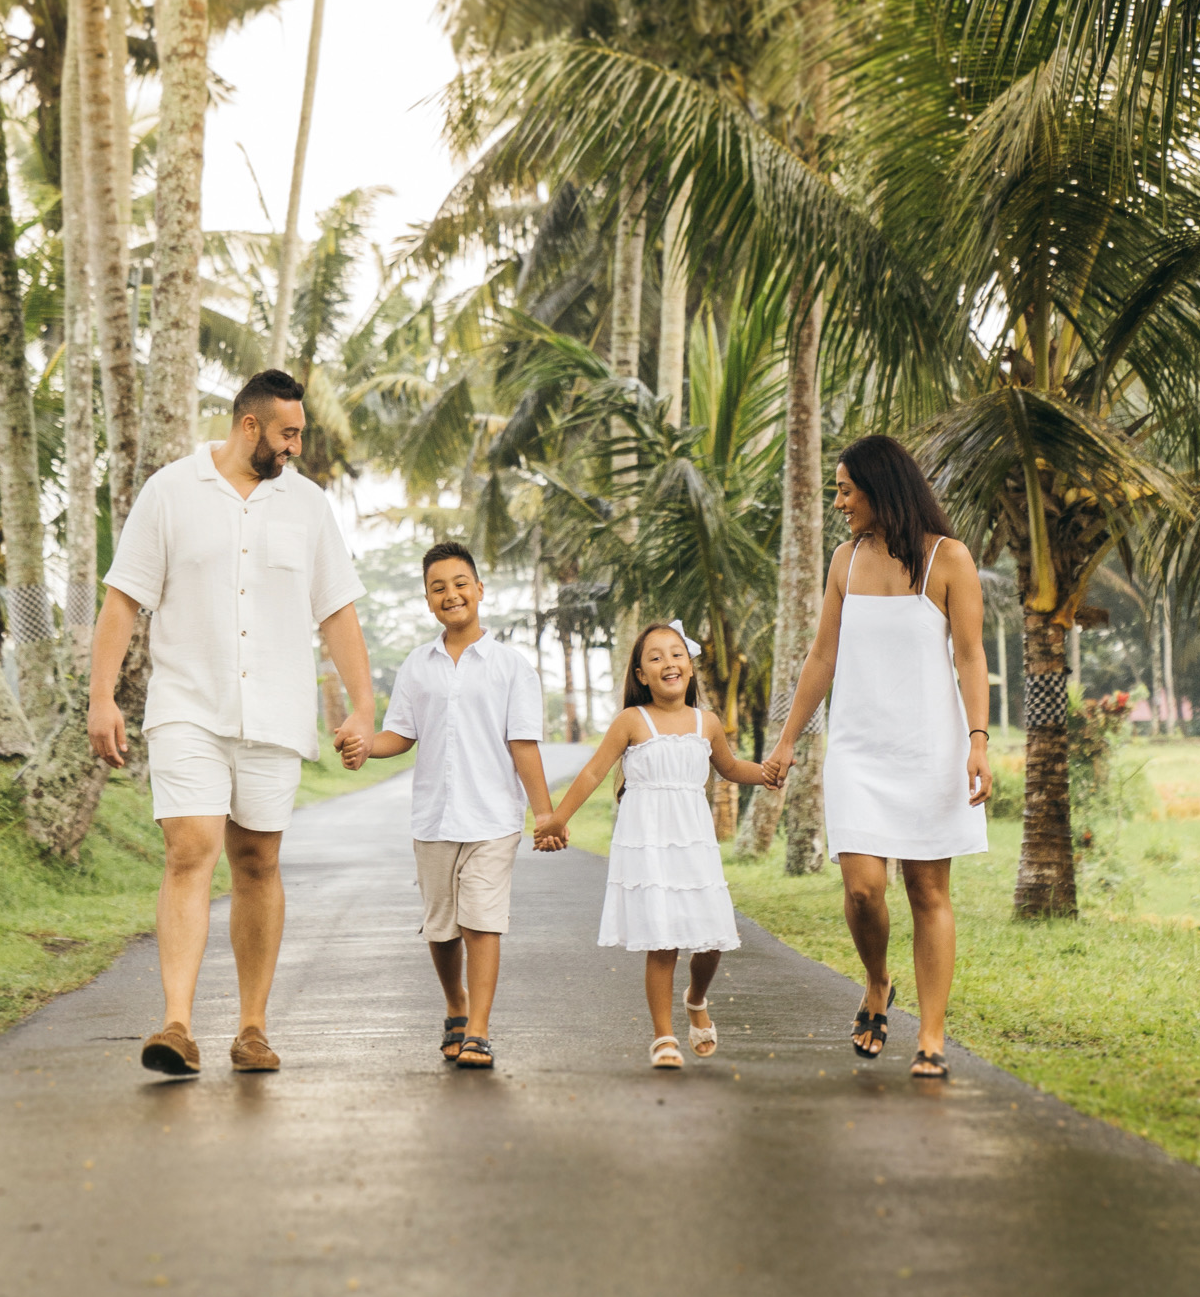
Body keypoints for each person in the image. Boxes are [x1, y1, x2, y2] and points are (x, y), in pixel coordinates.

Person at [87, 367, 374, 1079]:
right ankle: (177, 1025)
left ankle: (251, 1029)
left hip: (275, 712)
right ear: (250, 426)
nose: (296, 447)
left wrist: (364, 706)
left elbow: (337, 611)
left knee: (257, 861)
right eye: (288, 434)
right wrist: (101, 698)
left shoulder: (307, 506)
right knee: (191, 849)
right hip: (188, 707)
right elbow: (123, 600)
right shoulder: (170, 491)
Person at [761, 433, 993, 1083]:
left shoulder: (948, 559)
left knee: (926, 891)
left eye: (845, 490)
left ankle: (932, 1038)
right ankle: (877, 980)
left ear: (879, 488)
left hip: (930, 750)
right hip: (858, 752)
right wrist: (787, 740)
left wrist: (978, 741)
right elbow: (822, 657)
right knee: (864, 890)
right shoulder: (844, 561)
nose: (838, 503)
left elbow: (970, 655)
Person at [350, 541, 558, 1072]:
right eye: (438, 588)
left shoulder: (511, 667)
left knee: (482, 922)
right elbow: (401, 734)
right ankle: (456, 1006)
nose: (451, 594)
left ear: (479, 590)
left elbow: (523, 744)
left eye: (460, 583)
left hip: (493, 818)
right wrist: (365, 745)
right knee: (441, 929)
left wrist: (544, 814)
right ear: (427, 600)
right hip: (434, 818)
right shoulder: (417, 666)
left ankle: (479, 1032)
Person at [536, 623, 776, 1070]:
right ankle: (663, 1037)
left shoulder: (707, 722)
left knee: (712, 940)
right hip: (648, 845)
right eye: (656, 656)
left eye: (677, 654)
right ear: (641, 674)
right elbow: (592, 772)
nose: (669, 663)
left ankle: (696, 998)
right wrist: (558, 818)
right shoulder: (631, 721)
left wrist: (767, 772)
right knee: (662, 941)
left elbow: (729, 767)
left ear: (690, 666)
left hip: (694, 844)